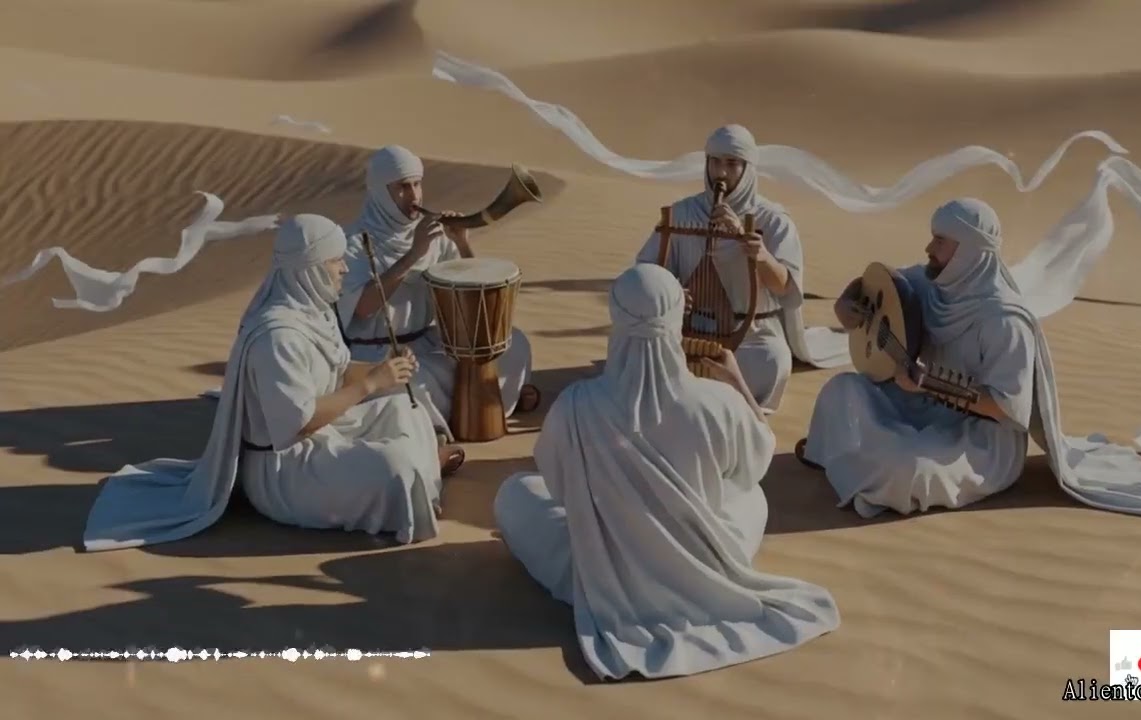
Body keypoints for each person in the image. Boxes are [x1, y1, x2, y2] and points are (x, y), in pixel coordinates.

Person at [492, 264, 840, 681]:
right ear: (676, 319)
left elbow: (558, 490)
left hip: (598, 573)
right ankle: (699, 574)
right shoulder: (716, 401)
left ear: (616, 318)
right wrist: (738, 386)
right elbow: (757, 461)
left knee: (514, 494)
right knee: (752, 497)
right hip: (709, 562)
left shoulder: (575, 405)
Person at [798, 197, 1141, 519]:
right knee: (841, 390)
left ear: (969, 252)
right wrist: (848, 305)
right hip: (918, 404)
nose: (929, 248)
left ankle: (864, 465)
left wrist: (933, 384)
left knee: (909, 468)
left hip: (980, 436)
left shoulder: (1003, 320)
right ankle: (853, 458)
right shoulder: (929, 280)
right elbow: (872, 284)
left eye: (940, 241)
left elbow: (1007, 407)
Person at [82, 214, 461, 552]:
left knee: (405, 406)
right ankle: (413, 481)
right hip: (284, 472)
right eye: (334, 262)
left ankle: (420, 481)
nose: (345, 269)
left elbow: (341, 371)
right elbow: (296, 424)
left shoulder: (316, 310)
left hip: (324, 436)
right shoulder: (277, 336)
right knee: (394, 464)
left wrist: (385, 369)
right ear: (307, 268)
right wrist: (370, 384)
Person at [635, 124, 850, 413]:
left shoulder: (773, 220)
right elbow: (645, 275)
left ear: (748, 169)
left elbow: (786, 289)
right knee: (636, 352)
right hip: (687, 328)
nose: (721, 173)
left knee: (772, 360)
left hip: (750, 333)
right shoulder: (681, 213)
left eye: (732, 164)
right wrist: (671, 294)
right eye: (715, 162)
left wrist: (760, 255)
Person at [336, 145, 539, 438]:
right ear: (381, 192)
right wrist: (414, 255)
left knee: (513, 344)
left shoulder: (433, 234)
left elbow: (470, 295)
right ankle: (436, 429)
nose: (415, 196)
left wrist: (461, 242)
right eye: (403, 187)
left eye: (417, 184)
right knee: (408, 384)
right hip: (375, 353)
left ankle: (498, 398)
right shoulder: (352, 242)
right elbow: (364, 308)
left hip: (428, 344)